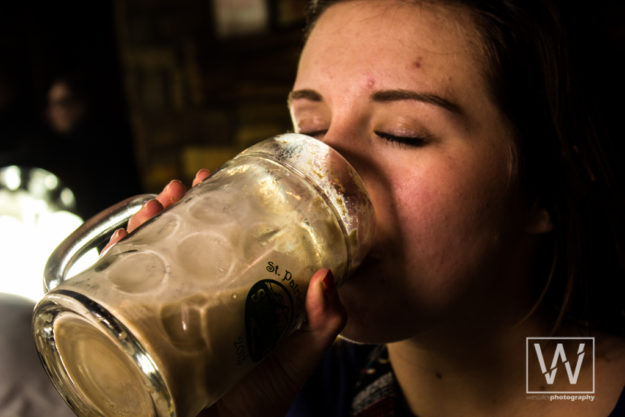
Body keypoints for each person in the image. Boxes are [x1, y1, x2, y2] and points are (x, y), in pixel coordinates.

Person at [107, 0, 625, 416]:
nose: (323, 170)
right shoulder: (288, 386)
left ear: (546, 189)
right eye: (309, 128)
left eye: (402, 134)